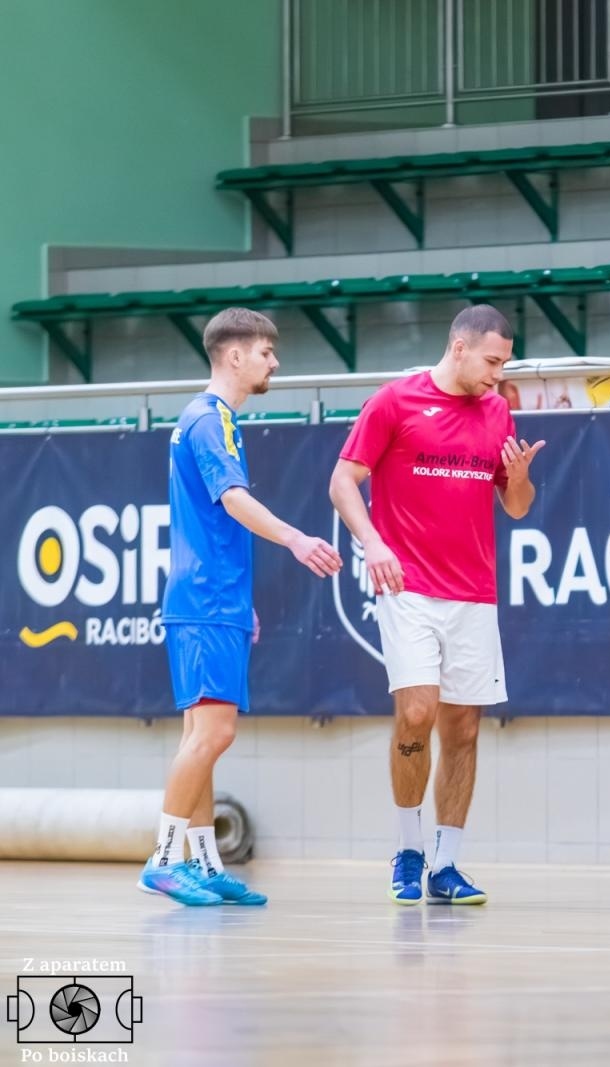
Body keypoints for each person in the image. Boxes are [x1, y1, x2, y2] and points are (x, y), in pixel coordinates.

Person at [329, 304, 544, 906]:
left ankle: (446, 865)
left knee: (465, 729)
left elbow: (517, 507)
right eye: (492, 361)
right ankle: (407, 848)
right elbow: (343, 480)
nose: (498, 375)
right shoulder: (395, 402)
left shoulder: (498, 410)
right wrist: (372, 543)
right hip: (408, 587)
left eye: (505, 363)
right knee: (418, 713)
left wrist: (520, 476)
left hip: (473, 593)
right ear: (459, 346)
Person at [142, 308, 343, 906]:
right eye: (264, 352)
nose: (273, 362)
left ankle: (202, 864)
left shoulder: (205, 419)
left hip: (212, 600)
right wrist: (297, 539)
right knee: (213, 734)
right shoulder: (210, 420)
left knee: (200, 736)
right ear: (234, 356)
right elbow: (232, 500)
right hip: (205, 600)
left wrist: (241, 602)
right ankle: (162, 862)